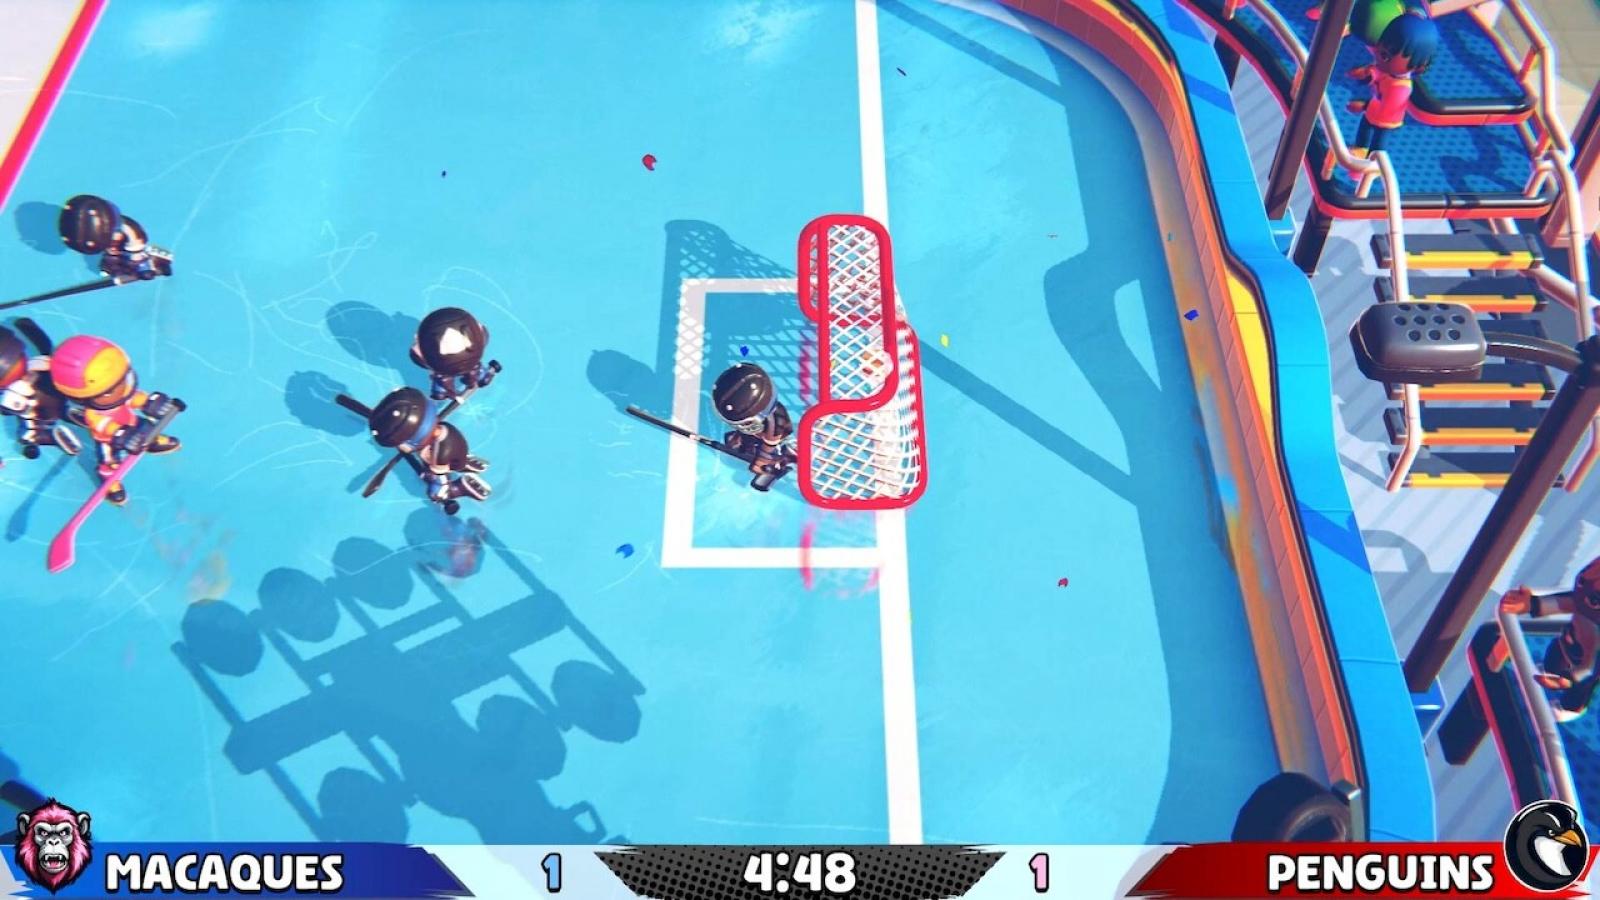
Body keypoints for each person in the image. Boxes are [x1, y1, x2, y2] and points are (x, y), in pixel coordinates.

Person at [48, 335, 181, 506]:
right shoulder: (93, 414)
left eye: (123, 380)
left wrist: (150, 403)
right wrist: (119, 434)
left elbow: (133, 398)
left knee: (146, 427)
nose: (122, 389)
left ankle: (152, 440)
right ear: (83, 398)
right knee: (109, 461)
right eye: (111, 391)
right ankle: (110, 480)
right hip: (109, 440)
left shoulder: (121, 392)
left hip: (131, 424)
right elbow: (104, 426)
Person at [1500, 557, 1600, 721]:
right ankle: (1549, 670)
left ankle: (1570, 708)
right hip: (1566, 641)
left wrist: (1568, 679)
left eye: (1594, 600)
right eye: (1582, 581)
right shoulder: (1583, 600)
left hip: (1584, 663)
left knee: (1579, 691)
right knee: (1554, 657)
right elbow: (1562, 603)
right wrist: (1531, 604)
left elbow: (1589, 668)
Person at [367, 387, 489, 514]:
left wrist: (434, 480)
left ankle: (458, 487)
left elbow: (438, 473)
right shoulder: (442, 430)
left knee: (436, 493)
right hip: (450, 452)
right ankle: (464, 462)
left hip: (444, 459)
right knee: (438, 460)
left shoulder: (440, 453)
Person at [1346, 9, 1439, 157]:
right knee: (1365, 127)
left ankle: (1374, 159)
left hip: (1385, 118)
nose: (1378, 55)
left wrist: (1364, 106)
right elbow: (1375, 73)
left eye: (1385, 56)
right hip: (1374, 107)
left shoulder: (1400, 88)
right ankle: (1360, 148)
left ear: (1419, 66)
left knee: (1378, 140)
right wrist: (1364, 73)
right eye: (1380, 48)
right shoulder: (1386, 70)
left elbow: (1388, 108)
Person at [710, 362, 795, 490]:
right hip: (755, 434)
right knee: (740, 441)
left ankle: (783, 459)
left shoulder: (777, 421)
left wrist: (763, 459)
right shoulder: (755, 416)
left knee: (765, 458)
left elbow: (770, 443)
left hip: (767, 439)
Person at [0, 324, 78, 459]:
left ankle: (67, 414)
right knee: (28, 428)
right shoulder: (15, 393)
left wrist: (29, 328)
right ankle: (46, 435)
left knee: (29, 424)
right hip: (40, 408)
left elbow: (45, 347)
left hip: (54, 397)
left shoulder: (38, 366)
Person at [410, 307, 499, 401]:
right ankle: (480, 376)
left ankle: (442, 389)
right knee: (444, 376)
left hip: (451, 363)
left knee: (444, 375)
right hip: (450, 363)